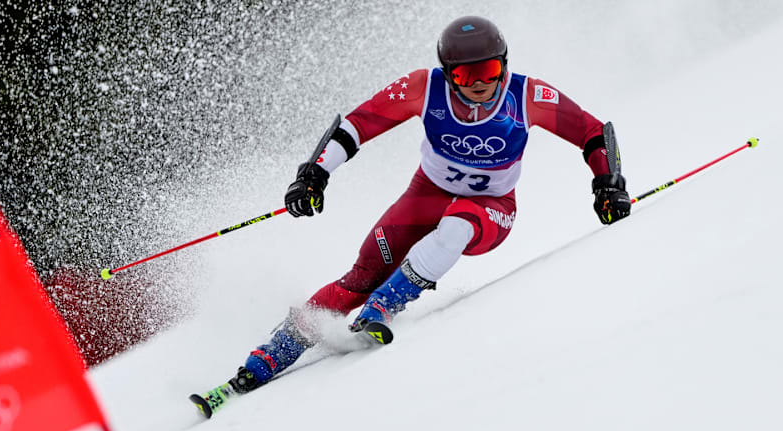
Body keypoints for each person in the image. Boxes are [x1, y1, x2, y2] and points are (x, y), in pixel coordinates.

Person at [226, 16, 631, 393]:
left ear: (504, 65)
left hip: (491, 206)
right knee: (360, 276)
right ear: (447, 73)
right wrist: (314, 174)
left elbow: (592, 132)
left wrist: (608, 185)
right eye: (464, 75)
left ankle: (385, 306)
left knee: (456, 226)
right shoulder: (424, 87)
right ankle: (269, 355)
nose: (479, 85)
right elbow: (358, 123)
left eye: (489, 71)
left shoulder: (527, 96)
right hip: (424, 196)